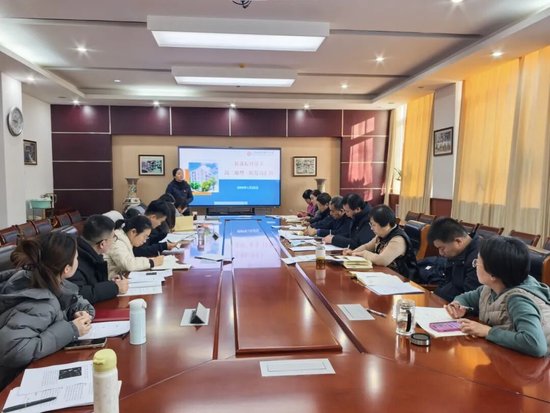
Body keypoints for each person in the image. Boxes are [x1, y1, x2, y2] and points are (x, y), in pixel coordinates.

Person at [0, 232, 94, 390]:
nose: (78, 261)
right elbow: (14, 350)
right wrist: (70, 329)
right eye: (76, 258)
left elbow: (75, 301)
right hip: (13, 383)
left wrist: (79, 312)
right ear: (67, 269)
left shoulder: (43, 278)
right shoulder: (40, 302)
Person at [445, 236, 550, 357]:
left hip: (539, 364)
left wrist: (487, 331)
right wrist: (458, 306)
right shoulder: (490, 288)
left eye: (478, 262)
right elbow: (466, 298)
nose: (475, 265)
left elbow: (535, 345)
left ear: (493, 274)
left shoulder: (518, 300)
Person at [345, 204, 418, 279]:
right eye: (371, 224)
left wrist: (363, 254)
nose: (371, 228)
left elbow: (382, 260)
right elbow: (367, 246)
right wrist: (353, 252)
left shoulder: (398, 239)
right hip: (385, 274)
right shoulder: (383, 233)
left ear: (387, 224)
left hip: (402, 279)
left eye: (374, 225)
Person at [71, 215, 129, 304]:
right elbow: (77, 294)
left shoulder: (90, 253)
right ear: (102, 244)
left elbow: (92, 284)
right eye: (113, 237)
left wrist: (111, 283)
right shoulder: (74, 259)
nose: (114, 240)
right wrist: (114, 287)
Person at [423, 217, 481, 302]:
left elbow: (470, 299)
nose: (440, 253)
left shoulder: (479, 259)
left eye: (442, 248)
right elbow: (447, 282)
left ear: (458, 241)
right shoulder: (456, 254)